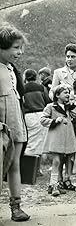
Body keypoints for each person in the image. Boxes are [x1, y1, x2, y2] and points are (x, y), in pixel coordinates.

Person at [49, 43, 76, 190]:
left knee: (73, 146)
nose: (70, 59)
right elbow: (51, 92)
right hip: (62, 113)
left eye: (73, 57)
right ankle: (58, 179)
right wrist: (61, 98)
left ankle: (68, 178)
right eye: (67, 56)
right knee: (60, 147)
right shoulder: (59, 73)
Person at [0, 25, 30, 221]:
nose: (19, 52)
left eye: (21, 48)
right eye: (15, 48)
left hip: (15, 121)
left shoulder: (13, 69)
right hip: (1, 124)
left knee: (14, 164)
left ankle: (16, 206)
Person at [40, 84, 76, 196]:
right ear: (57, 95)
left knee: (65, 160)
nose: (68, 94)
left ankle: (61, 182)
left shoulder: (68, 107)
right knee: (56, 161)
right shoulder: (51, 107)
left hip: (67, 138)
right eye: (65, 92)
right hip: (56, 138)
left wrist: (74, 105)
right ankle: (54, 185)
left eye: (68, 92)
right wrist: (54, 121)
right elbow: (42, 119)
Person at [23, 69, 51, 176]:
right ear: (35, 77)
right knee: (40, 143)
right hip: (41, 115)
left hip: (28, 116)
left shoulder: (23, 89)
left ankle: (28, 169)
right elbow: (48, 101)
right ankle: (37, 169)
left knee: (29, 142)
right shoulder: (41, 87)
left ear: (25, 77)